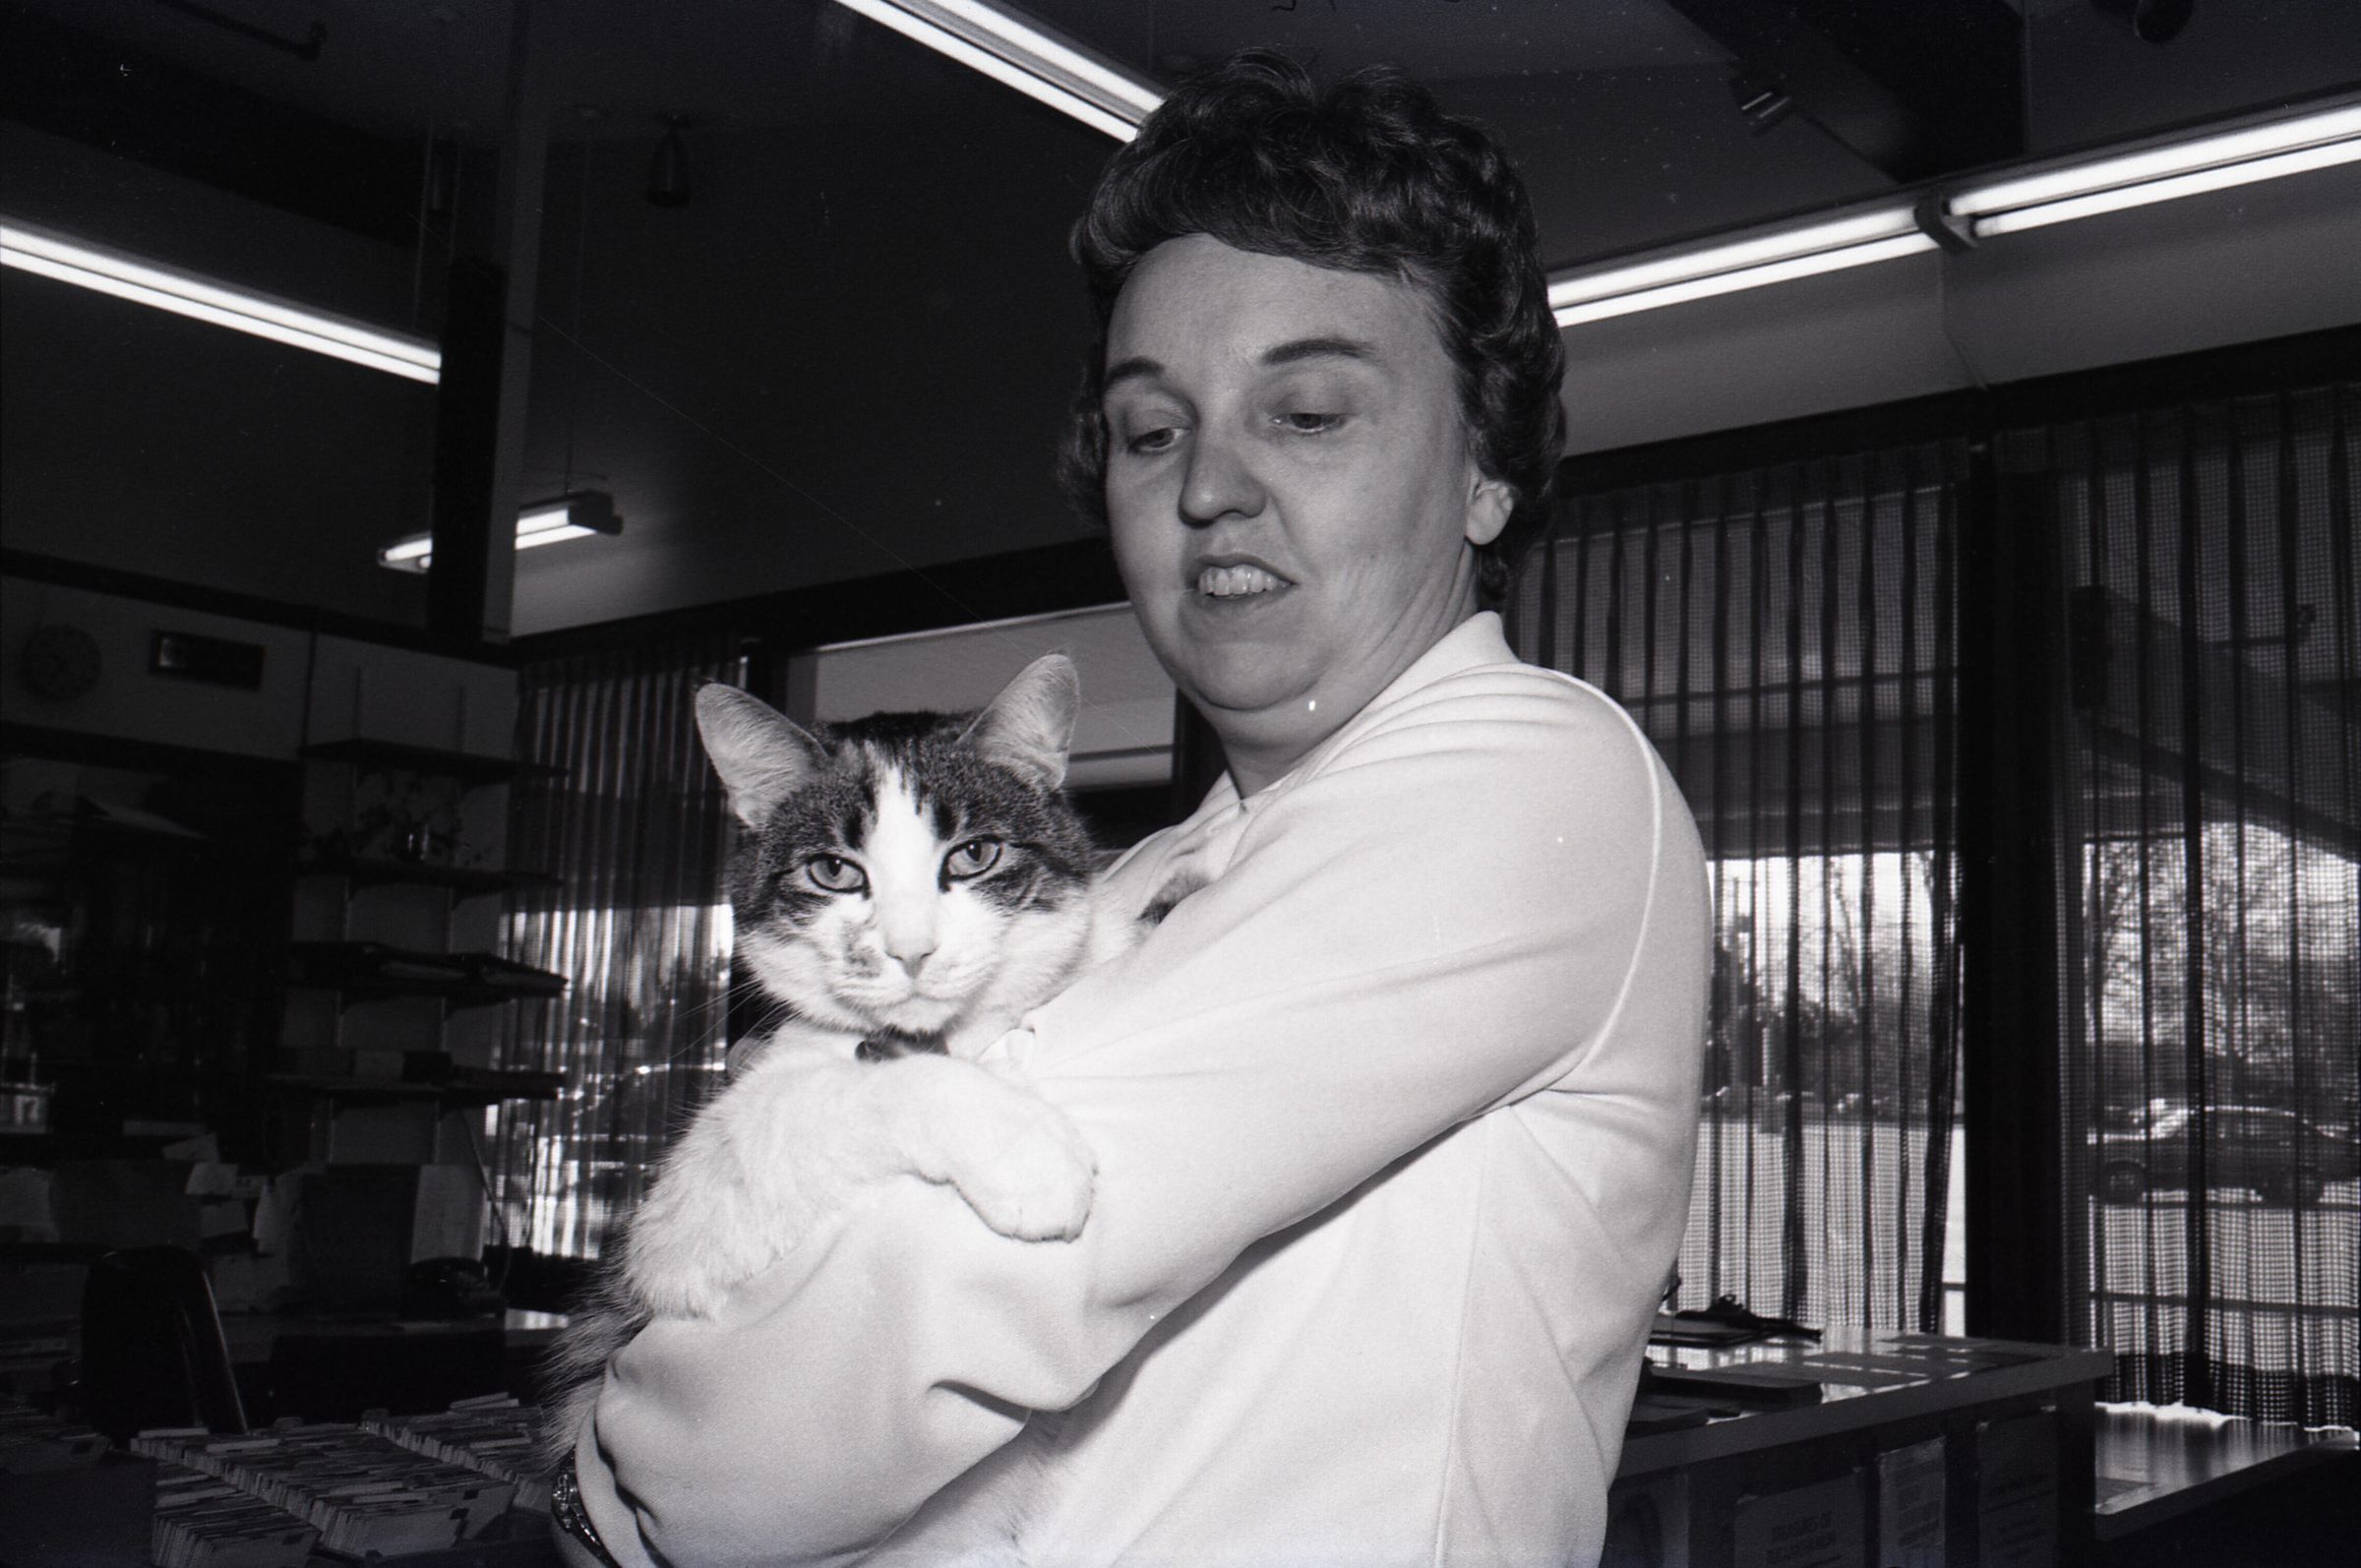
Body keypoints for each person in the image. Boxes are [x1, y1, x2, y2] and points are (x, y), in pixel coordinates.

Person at [563, 50, 1708, 1568]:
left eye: (1308, 411)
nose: (1208, 485)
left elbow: (822, 1397)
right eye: (1154, 429)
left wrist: (611, 1470)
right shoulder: (1148, 873)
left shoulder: (1534, 777)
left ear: (1487, 471)